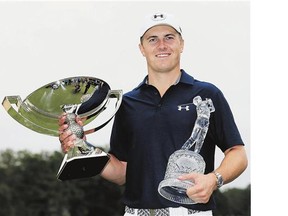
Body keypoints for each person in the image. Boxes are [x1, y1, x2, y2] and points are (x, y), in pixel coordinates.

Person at [58, 12, 248, 216]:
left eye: (169, 37)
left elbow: (238, 153)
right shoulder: (128, 103)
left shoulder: (207, 94)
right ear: (142, 48)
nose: (162, 45)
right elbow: (122, 172)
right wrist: (83, 147)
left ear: (181, 44)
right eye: (152, 39)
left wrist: (214, 179)